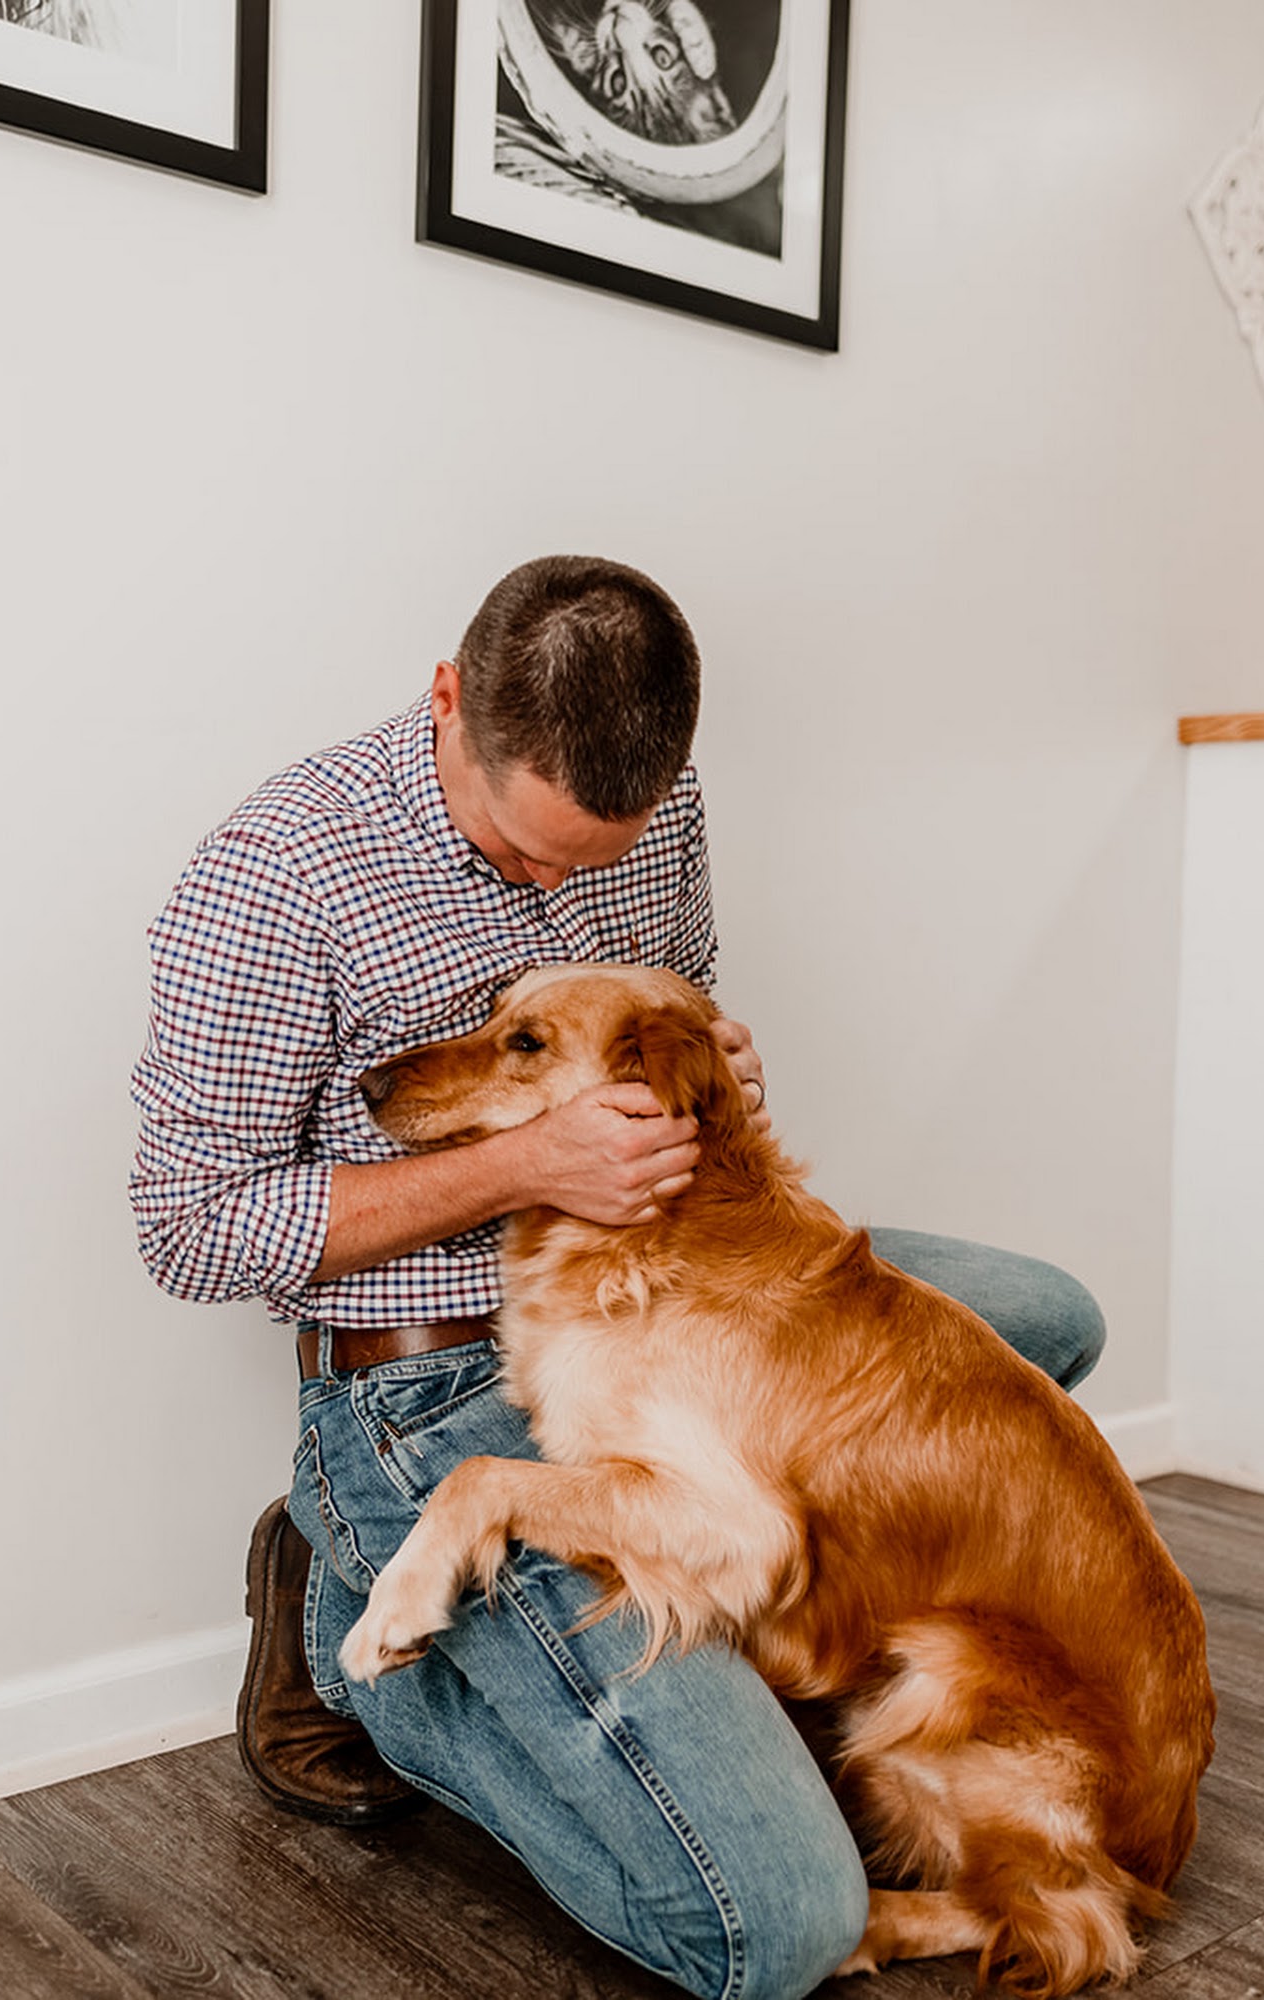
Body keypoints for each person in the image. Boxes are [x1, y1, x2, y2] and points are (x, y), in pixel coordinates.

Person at [129, 555, 1106, 2000]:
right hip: (435, 1374)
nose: (558, 890)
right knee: (778, 1932)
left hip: (666, 1288)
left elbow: (669, 1019)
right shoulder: (274, 876)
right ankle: (351, 1635)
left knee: (1044, 1323)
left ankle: (766, 1632)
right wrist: (527, 1166)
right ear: (449, 700)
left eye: (596, 861)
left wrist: (723, 1073)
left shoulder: (655, 805)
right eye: (525, 855)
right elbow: (189, 1227)